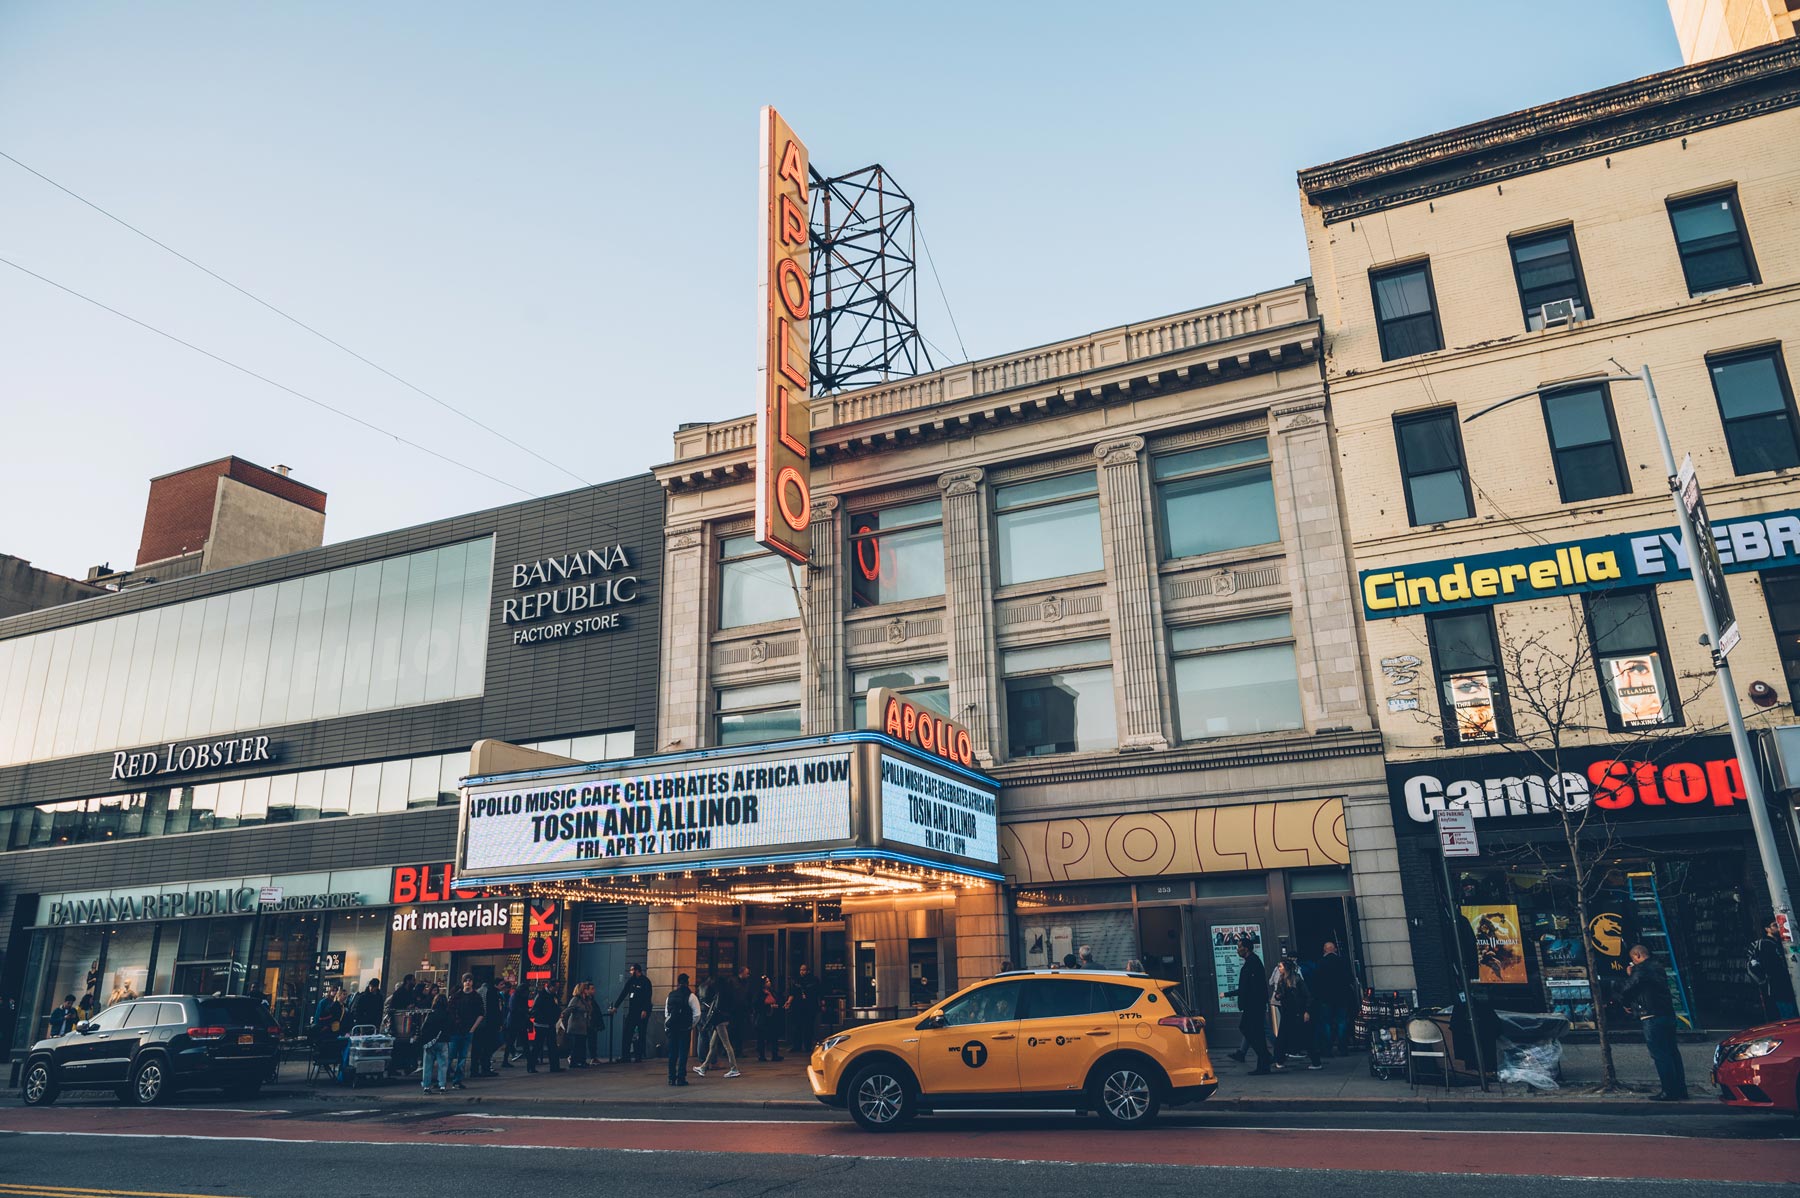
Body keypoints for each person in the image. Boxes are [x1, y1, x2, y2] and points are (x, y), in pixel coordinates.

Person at [1621, 944, 1688, 1101]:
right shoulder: (1658, 967)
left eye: (1633, 959)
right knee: (1672, 1052)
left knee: (1660, 1054)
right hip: (1667, 1013)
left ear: (1637, 956)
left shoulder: (1640, 969)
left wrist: (1629, 975)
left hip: (1651, 1015)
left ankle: (1669, 1091)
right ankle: (1680, 1089)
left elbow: (1628, 988)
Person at [1227, 939, 1272, 1075]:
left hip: (1254, 1005)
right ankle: (1264, 1063)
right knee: (1256, 1033)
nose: (1237, 950)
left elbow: (1252, 987)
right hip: (1253, 1004)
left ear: (1246, 948)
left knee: (1248, 1029)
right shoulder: (1252, 962)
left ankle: (1265, 1057)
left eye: (1239, 947)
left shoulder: (1253, 963)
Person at [1272, 958, 1322, 1070]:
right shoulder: (1282, 979)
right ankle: (1279, 1059)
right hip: (1288, 1012)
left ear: (1286, 968)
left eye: (1280, 966)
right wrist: (1278, 996)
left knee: (1305, 1036)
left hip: (1297, 1011)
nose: (1278, 969)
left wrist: (1307, 1011)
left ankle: (1316, 1061)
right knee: (1283, 1037)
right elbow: (1279, 994)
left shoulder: (1297, 979)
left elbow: (1307, 996)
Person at [1748, 914, 1798, 1021]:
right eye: (1774, 925)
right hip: (1778, 985)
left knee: (1792, 1013)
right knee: (1788, 1016)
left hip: (1789, 983)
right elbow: (1770, 966)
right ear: (1767, 929)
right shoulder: (1765, 944)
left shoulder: (1781, 942)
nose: (1778, 927)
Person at [1312, 941, 1356, 1056]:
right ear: (1335, 949)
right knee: (1342, 1022)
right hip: (1342, 996)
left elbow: (1316, 982)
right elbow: (1350, 978)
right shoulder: (1343, 962)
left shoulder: (1320, 963)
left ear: (1325, 950)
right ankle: (1343, 1047)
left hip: (1326, 998)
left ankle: (1327, 1048)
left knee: (1326, 1023)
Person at [693, 976, 740, 1078]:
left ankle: (734, 1068)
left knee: (726, 1045)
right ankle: (704, 1067)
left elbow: (716, 1008)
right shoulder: (730, 993)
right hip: (724, 1020)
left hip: (719, 1021)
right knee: (712, 1045)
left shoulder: (720, 994)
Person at [448, 974, 484, 1089]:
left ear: (472, 982)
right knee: (450, 1056)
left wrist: (473, 1029)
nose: (467, 982)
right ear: (463, 982)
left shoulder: (476, 997)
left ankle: (457, 1080)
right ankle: (442, 1079)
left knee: (462, 1057)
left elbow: (481, 1014)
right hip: (456, 1030)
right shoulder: (456, 996)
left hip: (467, 1030)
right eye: (466, 981)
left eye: (469, 980)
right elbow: (450, 1011)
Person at [610, 964, 653, 1062]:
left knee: (640, 1034)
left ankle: (639, 1056)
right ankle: (626, 1056)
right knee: (627, 1032)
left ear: (637, 970)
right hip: (632, 1012)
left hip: (641, 1012)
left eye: (632, 970)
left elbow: (648, 996)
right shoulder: (631, 981)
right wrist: (615, 1007)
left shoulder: (645, 981)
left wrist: (645, 1010)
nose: (630, 972)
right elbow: (623, 993)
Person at [665, 973, 700, 1086]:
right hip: (684, 1028)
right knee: (683, 1053)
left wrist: (668, 1024)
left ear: (678, 983)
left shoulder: (670, 995)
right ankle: (681, 1078)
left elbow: (667, 1013)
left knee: (672, 1054)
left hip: (672, 1028)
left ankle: (671, 1077)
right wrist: (691, 1025)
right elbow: (697, 1014)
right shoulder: (691, 996)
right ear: (687, 982)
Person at [418, 989, 452, 1094]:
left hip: (430, 1042)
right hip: (443, 1041)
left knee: (428, 1065)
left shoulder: (431, 1014)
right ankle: (442, 1085)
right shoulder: (447, 1014)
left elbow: (424, 1028)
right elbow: (450, 1028)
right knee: (443, 1065)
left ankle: (426, 1086)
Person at [473, 976, 506, 1077]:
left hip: (481, 1024)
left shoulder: (480, 991)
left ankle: (476, 1068)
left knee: (478, 1047)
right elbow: (494, 1010)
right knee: (488, 1046)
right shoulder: (493, 993)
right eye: (501, 984)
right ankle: (484, 1067)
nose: (503, 986)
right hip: (488, 1024)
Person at [527, 980, 562, 1073]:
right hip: (541, 1024)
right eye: (555, 987)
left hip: (550, 1024)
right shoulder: (541, 995)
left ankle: (555, 1067)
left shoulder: (553, 995)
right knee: (538, 1045)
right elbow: (536, 1009)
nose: (556, 989)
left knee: (552, 1046)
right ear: (550, 987)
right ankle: (531, 1066)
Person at [786, 963, 821, 1054]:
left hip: (809, 1006)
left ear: (808, 971)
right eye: (801, 970)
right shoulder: (796, 981)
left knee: (808, 1027)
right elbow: (792, 992)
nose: (802, 972)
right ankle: (797, 1045)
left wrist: (821, 1003)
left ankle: (807, 1046)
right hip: (798, 1006)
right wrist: (789, 1002)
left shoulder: (813, 980)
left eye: (804, 970)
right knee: (797, 1026)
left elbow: (818, 992)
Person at [560, 980, 594, 1068]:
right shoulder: (576, 999)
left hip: (583, 1025)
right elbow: (569, 1008)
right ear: (582, 990)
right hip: (576, 1026)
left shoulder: (585, 1000)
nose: (588, 991)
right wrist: (562, 1015)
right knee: (576, 1045)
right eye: (586, 989)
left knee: (582, 1044)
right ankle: (574, 1062)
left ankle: (581, 1061)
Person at [755, 975, 784, 1063]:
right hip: (764, 1018)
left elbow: (777, 1000)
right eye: (767, 981)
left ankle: (775, 1054)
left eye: (769, 981)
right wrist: (768, 1006)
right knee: (762, 1037)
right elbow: (757, 1005)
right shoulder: (760, 993)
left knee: (774, 1036)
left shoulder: (772, 991)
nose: (769, 983)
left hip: (772, 1018)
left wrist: (777, 1006)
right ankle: (762, 1055)